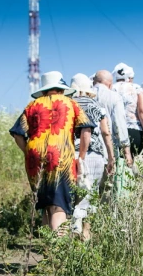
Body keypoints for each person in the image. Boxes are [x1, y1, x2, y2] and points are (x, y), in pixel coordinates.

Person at [10, 71, 94, 233]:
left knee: (46, 204)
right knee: (58, 204)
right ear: (62, 89)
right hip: (61, 157)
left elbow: (17, 134)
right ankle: (57, 250)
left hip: (35, 159)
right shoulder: (70, 104)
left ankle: (48, 249)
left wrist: (28, 152)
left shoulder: (32, 105)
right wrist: (80, 158)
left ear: (44, 90)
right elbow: (86, 131)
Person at [69, 73, 114, 239]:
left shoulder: (68, 104)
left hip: (71, 154)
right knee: (91, 194)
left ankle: (74, 228)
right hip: (94, 155)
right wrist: (111, 157)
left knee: (74, 194)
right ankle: (86, 233)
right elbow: (105, 132)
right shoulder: (97, 106)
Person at [93, 70, 133, 167]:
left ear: (94, 82)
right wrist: (127, 152)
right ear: (110, 84)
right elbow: (119, 125)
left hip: (85, 149)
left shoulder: (84, 95)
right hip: (108, 152)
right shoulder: (115, 97)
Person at [111, 63, 143, 157]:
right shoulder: (136, 88)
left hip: (114, 131)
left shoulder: (111, 88)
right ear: (129, 77)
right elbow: (142, 111)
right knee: (137, 165)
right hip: (134, 129)